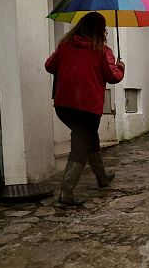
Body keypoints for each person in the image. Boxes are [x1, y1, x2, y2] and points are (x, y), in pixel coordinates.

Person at [45, 12, 125, 206]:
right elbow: (113, 77)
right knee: (80, 144)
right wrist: (120, 67)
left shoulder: (64, 46)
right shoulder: (102, 51)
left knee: (88, 137)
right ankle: (66, 191)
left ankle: (102, 178)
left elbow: (49, 66)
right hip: (88, 107)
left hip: (64, 105)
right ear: (100, 31)